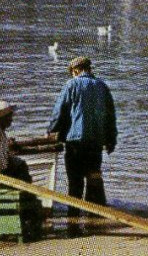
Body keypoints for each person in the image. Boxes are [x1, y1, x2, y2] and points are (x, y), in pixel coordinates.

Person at [48, 56, 117, 213]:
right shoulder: (102, 87)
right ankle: (94, 216)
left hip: (75, 143)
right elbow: (110, 117)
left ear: (76, 71)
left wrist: (52, 131)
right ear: (89, 69)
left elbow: (59, 112)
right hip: (96, 143)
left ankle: (74, 218)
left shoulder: (72, 85)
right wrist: (111, 141)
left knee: (75, 182)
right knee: (93, 179)